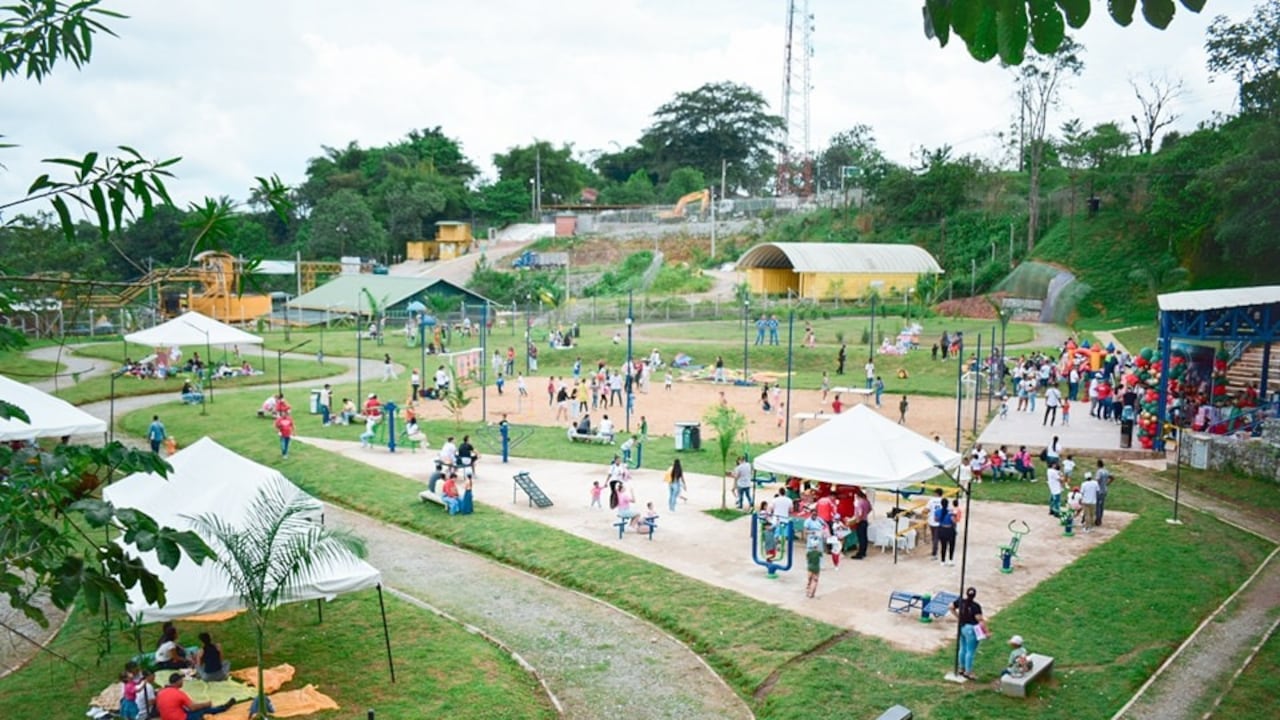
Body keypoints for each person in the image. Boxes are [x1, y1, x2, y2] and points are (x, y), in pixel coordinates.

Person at [156, 672, 235, 720]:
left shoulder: (161, 692)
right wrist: (206, 704)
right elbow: (192, 707)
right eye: (182, 680)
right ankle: (223, 707)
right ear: (178, 681)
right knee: (203, 709)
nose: (183, 682)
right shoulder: (178, 693)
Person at [950, 587, 986, 681]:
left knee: (963, 648)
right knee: (970, 651)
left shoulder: (960, 601)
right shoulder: (975, 606)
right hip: (971, 628)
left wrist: (958, 617)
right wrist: (986, 631)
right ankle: (968, 672)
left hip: (962, 627)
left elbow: (951, 607)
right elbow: (980, 620)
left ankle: (962, 668)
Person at [804, 510, 826, 598]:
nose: (815, 516)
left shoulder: (819, 520)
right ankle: (810, 592)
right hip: (812, 537)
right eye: (813, 514)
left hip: (819, 537)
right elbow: (805, 530)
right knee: (813, 579)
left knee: (811, 578)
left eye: (816, 514)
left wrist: (822, 532)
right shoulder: (807, 521)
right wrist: (812, 532)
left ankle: (809, 591)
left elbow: (824, 526)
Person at [935, 497, 958, 565]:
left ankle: (942, 561)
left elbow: (936, 520)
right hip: (950, 530)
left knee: (943, 546)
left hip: (942, 529)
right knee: (951, 545)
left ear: (941, 504)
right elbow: (954, 521)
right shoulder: (951, 512)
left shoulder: (937, 511)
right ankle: (950, 560)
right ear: (947, 504)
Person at [926, 488, 944, 559]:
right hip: (940, 522)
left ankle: (934, 552)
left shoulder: (931, 501)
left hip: (932, 521)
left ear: (936, 493)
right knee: (936, 537)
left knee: (934, 537)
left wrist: (924, 512)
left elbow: (926, 510)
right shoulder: (943, 501)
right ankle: (935, 550)